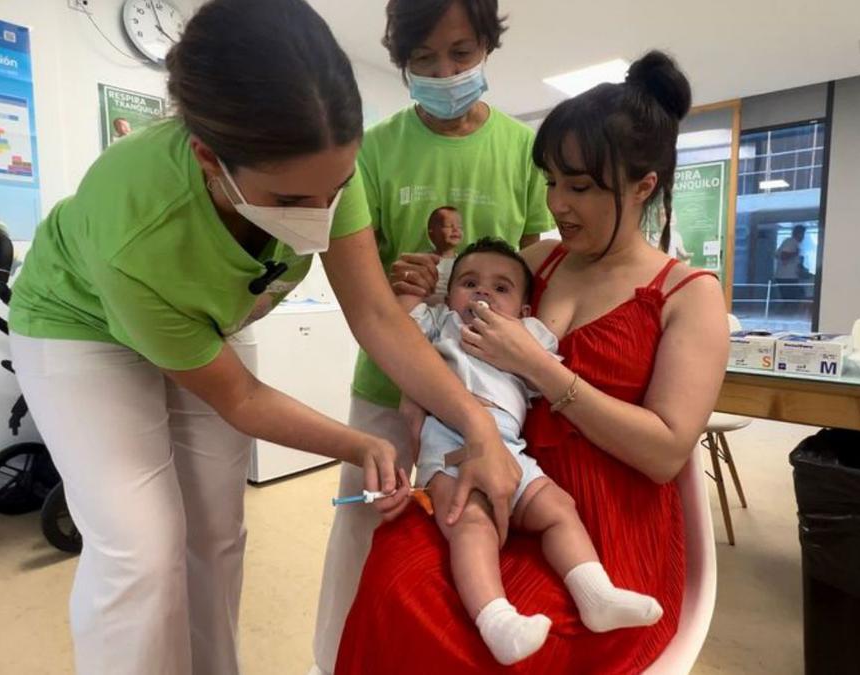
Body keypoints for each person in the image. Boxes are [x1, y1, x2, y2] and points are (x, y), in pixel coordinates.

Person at [6, 1, 516, 673]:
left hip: (206, 321)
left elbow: (378, 317)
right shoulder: (137, 224)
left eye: (332, 192)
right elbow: (241, 398)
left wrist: (477, 425)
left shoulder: (326, 162)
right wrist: (360, 442)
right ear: (208, 158)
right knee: (142, 547)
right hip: (79, 326)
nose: (318, 215)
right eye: (288, 200)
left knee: (217, 532)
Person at [336, 50, 730, 673]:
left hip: (600, 523)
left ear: (643, 185)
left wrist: (544, 368)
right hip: (489, 468)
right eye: (550, 182)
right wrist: (413, 284)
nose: (558, 204)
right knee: (394, 583)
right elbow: (441, 325)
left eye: (579, 187)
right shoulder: (539, 260)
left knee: (477, 649)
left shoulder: (689, 294)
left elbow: (664, 453)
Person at [311, 2, 553, 669]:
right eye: (424, 60)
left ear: (487, 48)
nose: (445, 73)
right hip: (392, 381)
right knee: (363, 526)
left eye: (461, 54)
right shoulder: (375, 151)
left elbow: (533, 268)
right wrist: (396, 282)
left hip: (489, 388)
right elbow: (363, 288)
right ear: (402, 62)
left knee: (477, 527)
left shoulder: (522, 150)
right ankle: (334, 661)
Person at [401, 237, 663, 665]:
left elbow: (551, 374)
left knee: (559, 508)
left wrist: (526, 353)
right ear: (450, 297)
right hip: (451, 448)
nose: (483, 292)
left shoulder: (529, 336)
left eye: (501, 288)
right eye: (470, 283)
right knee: (472, 522)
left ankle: (596, 595)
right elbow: (399, 329)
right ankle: (497, 619)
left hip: (511, 451)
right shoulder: (441, 323)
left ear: (524, 310)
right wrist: (416, 285)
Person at [424, 205, 462, 305]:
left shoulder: (463, 263)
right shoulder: (425, 262)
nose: (455, 230)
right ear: (432, 232)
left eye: (459, 227)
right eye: (448, 226)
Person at [774, 224, 808, 302]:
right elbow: (784, 256)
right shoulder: (790, 242)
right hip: (786, 277)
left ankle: (788, 312)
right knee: (791, 300)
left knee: (793, 299)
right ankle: (786, 313)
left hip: (789, 276)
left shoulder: (795, 244)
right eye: (802, 234)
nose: (803, 237)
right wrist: (795, 254)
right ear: (798, 234)